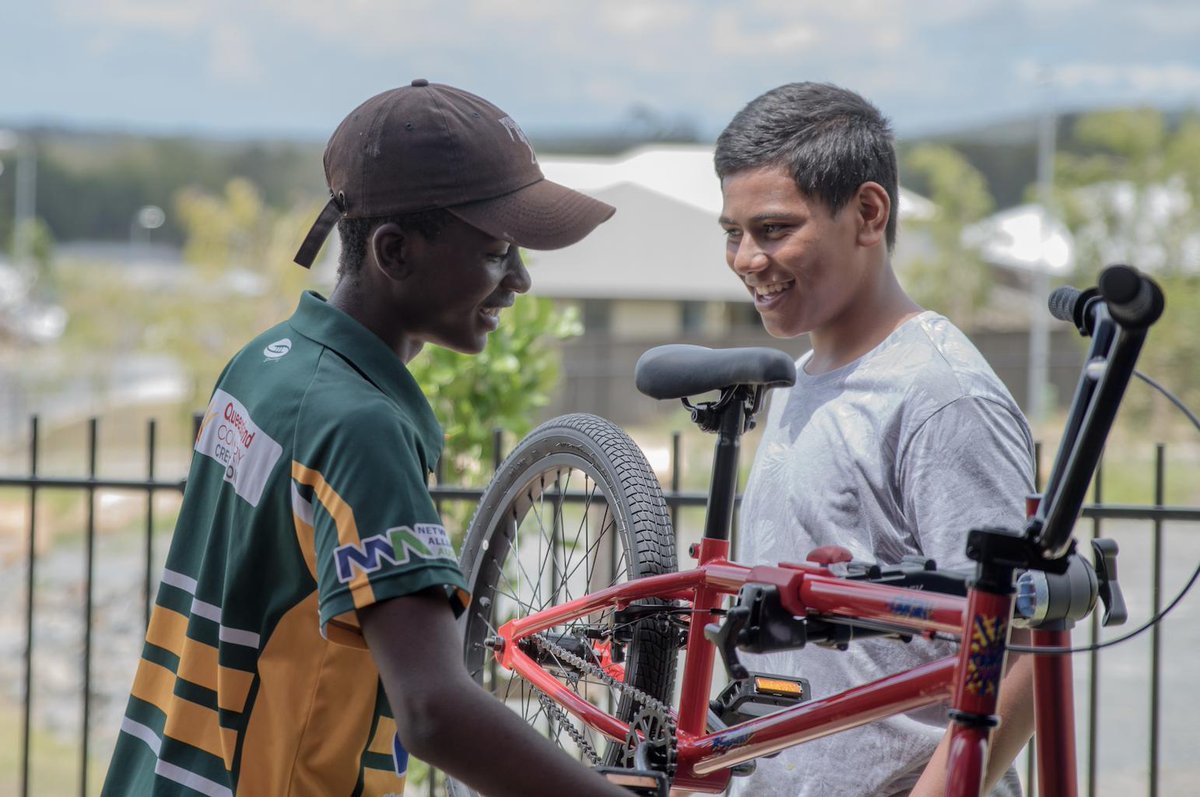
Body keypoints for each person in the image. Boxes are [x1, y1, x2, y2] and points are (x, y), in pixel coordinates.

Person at [102, 80, 636, 797]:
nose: (521, 279)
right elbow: (433, 709)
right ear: (394, 250)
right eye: (496, 251)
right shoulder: (361, 425)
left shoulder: (266, 364)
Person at [715, 82, 1036, 797]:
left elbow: (1024, 649)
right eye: (731, 233)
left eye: (772, 230)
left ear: (867, 213)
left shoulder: (941, 396)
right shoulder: (800, 379)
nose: (745, 258)